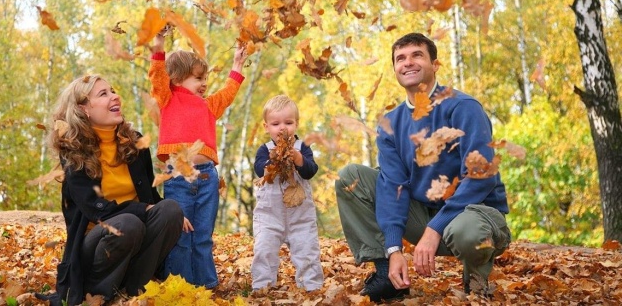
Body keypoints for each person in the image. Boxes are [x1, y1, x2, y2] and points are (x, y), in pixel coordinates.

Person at [335, 33, 511, 302]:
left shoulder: (463, 107)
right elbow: (393, 187)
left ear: (435, 64)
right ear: (394, 68)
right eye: (400, 58)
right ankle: (387, 274)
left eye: (417, 55)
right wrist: (394, 249)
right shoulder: (391, 124)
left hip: (476, 217)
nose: (408, 63)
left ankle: (476, 284)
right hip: (423, 215)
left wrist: (434, 229)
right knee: (351, 177)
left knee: (467, 232)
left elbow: (481, 175)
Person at [41, 75, 184, 305]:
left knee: (170, 210)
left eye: (113, 90)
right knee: (127, 223)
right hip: (96, 243)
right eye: (103, 94)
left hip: (134, 232)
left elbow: (150, 196)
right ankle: (98, 295)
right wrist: (143, 209)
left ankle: (133, 289)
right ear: (83, 108)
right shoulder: (73, 151)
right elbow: (98, 211)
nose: (114, 96)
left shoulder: (134, 142)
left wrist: (169, 214)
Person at [148, 32, 249, 289]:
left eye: (205, 78)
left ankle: (206, 285)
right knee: (182, 234)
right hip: (179, 178)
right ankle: (181, 285)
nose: (204, 83)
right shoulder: (168, 98)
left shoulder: (208, 105)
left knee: (202, 235)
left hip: (207, 178)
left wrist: (237, 64)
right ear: (178, 78)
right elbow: (157, 76)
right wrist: (158, 45)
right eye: (198, 78)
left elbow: (228, 92)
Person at [251, 95, 323, 291]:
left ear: (296, 124)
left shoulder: (302, 148)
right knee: (264, 251)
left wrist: (299, 160)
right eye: (276, 123)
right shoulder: (265, 150)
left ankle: (312, 287)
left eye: (288, 122)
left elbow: (310, 171)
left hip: (301, 216)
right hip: (269, 216)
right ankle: (262, 287)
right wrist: (272, 163)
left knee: (307, 251)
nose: (282, 128)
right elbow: (259, 169)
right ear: (266, 127)